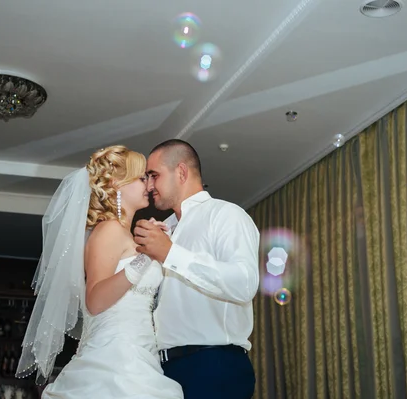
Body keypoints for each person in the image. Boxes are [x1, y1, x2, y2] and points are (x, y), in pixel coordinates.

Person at [16, 145, 183, 399]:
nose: (149, 185)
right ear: (117, 183)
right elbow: (94, 300)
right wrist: (146, 258)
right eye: (141, 178)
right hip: (115, 357)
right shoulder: (108, 230)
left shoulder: (124, 233)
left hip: (140, 352)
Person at [134, 139, 260, 399]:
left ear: (181, 172)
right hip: (161, 370)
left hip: (212, 365)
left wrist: (170, 253)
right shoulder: (165, 228)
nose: (149, 185)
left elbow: (244, 283)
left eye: (154, 175)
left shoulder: (226, 215)